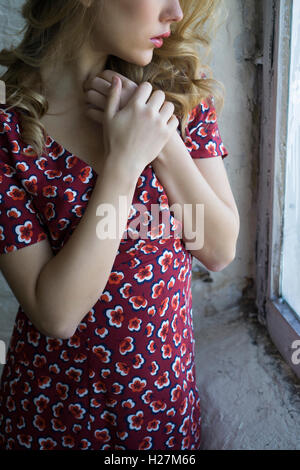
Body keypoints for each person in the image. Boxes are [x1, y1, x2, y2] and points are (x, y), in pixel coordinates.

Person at [0, 0, 239, 450]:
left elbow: (220, 249)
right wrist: (124, 164)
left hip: (164, 413)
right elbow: (56, 314)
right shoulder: (10, 125)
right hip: (51, 421)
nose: (175, 12)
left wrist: (163, 143)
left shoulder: (179, 91)